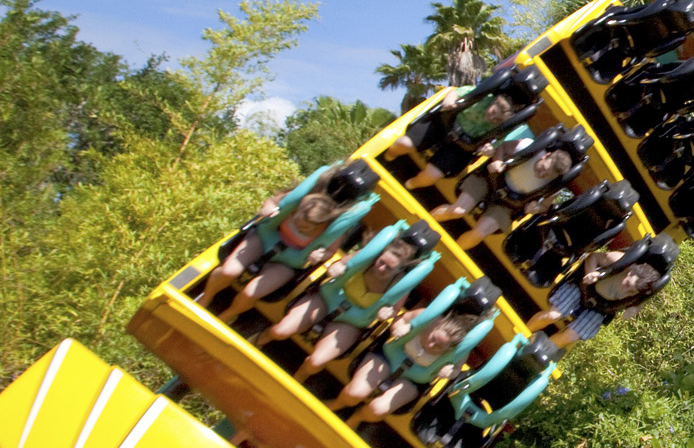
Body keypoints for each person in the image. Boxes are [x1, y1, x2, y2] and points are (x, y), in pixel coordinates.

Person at [259, 221, 440, 375]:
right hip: (329, 299)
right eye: (381, 262)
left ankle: (297, 379)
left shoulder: (401, 284)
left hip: (351, 321)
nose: (382, 269)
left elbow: (393, 311)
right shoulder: (365, 258)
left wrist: (388, 312)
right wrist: (337, 268)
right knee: (280, 331)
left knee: (316, 361)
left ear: (400, 270)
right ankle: (259, 341)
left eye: (389, 269)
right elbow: (338, 265)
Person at [200, 163, 378, 314]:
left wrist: (320, 255)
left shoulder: (335, 224)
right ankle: (206, 297)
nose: (302, 226)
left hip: (288, 261)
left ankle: (229, 314)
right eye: (300, 220)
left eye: (309, 227)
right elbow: (272, 202)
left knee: (251, 293)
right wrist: (267, 209)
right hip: (266, 238)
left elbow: (330, 251)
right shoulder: (303, 197)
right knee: (228, 271)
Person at [335, 279, 493, 420]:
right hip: (389, 357)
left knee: (377, 409)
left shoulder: (461, 347)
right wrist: (400, 327)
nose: (431, 346)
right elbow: (401, 319)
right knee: (353, 394)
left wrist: (449, 371)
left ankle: (357, 417)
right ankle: (337, 404)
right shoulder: (428, 317)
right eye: (432, 339)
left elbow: (456, 369)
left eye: (438, 347)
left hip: (413, 379)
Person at [389, 74, 538, 189]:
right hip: (445, 124)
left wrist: (489, 149)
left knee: (430, 177)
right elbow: (455, 92)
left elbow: (495, 144)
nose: (492, 118)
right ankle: (390, 156)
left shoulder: (505, 126)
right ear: (493, 102)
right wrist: (449, 101)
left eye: (497, 120)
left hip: (460, 146)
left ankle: (408, 184)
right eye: (492, 112)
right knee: (403, 143)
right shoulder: (481, 97)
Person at [437, 141, 578, 249]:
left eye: (546, 175)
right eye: (542, 168)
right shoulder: (528, 147)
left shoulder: (555, 186)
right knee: (457, 210)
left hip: (508, 203)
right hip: (490, 181)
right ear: (546, 156)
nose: (541, 174)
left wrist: (536, 207)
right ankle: (426, 223)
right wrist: (497, 160)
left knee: (479, 234)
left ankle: (447, 249)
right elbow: (503, 147)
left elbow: (545, 206)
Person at [524, 248, 665, 347]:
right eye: (627, 284)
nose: (624, 289)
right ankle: (523, 334)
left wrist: (633, 310)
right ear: (629, 272)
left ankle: (537, 350)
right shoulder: (620, 261)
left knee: (570, 336)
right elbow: (594, 256)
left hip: (600, 308)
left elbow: (639, 304)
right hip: (584, 289)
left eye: (630, 291)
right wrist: (590, 273)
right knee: (553, 315)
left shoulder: (642, 293)